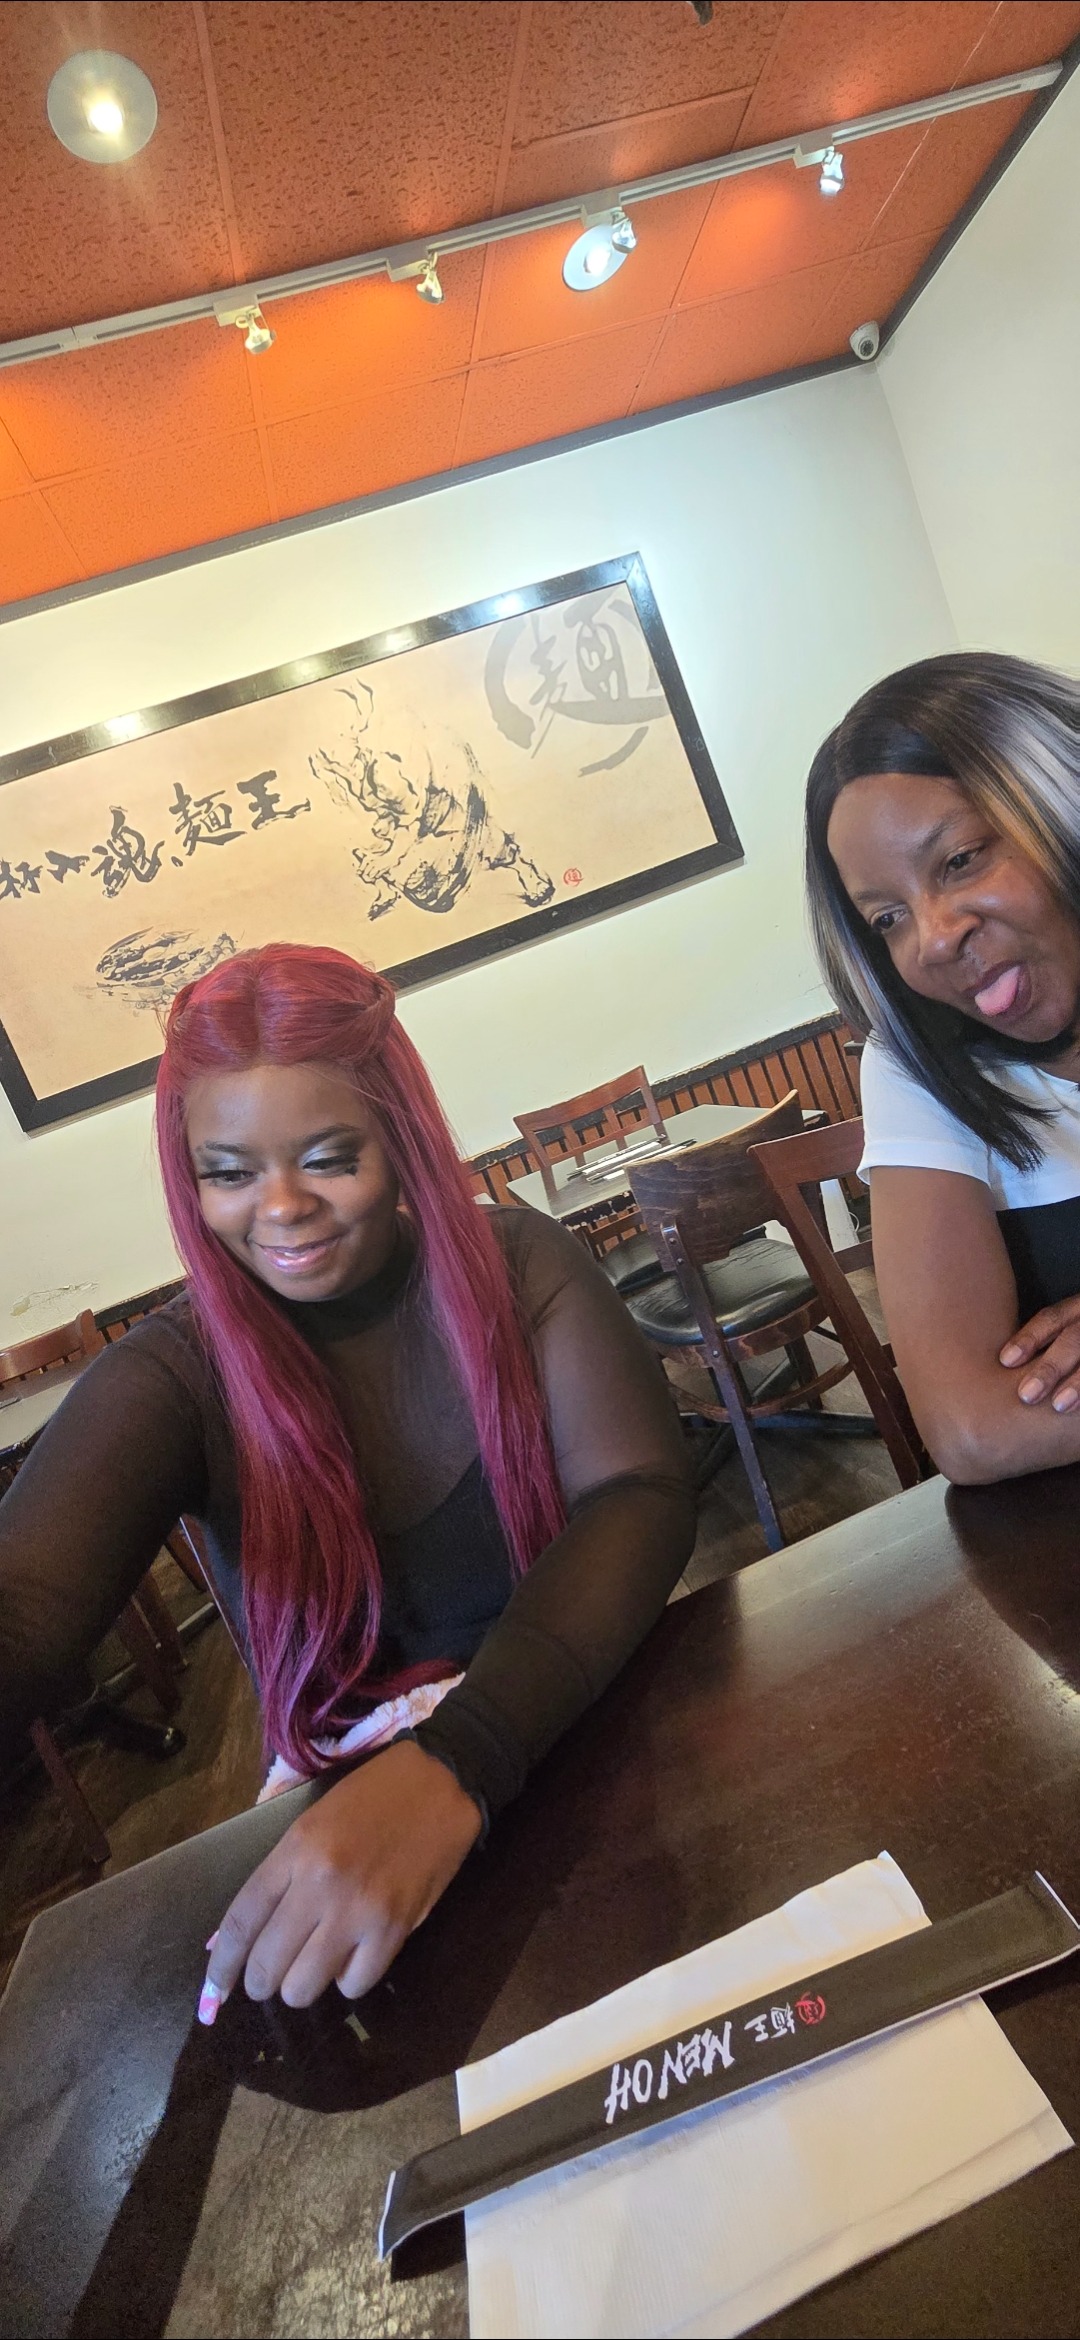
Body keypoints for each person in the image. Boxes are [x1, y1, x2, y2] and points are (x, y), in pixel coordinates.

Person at [0, 944, 695, 2017]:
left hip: (576, 1731)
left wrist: (460, 1756)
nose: (280, 1207)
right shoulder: (176, 1374)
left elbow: (638, 1494)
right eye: (228, 1174)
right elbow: (28, 1608)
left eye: (328, 1158)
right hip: (349, 1832)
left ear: (400, 1139)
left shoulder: (521, 1266)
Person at [805, 649, 1080, 1487]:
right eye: (887, 918)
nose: (931, 940)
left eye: (960, 859)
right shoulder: (916, 1069)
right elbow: (973, 1430)